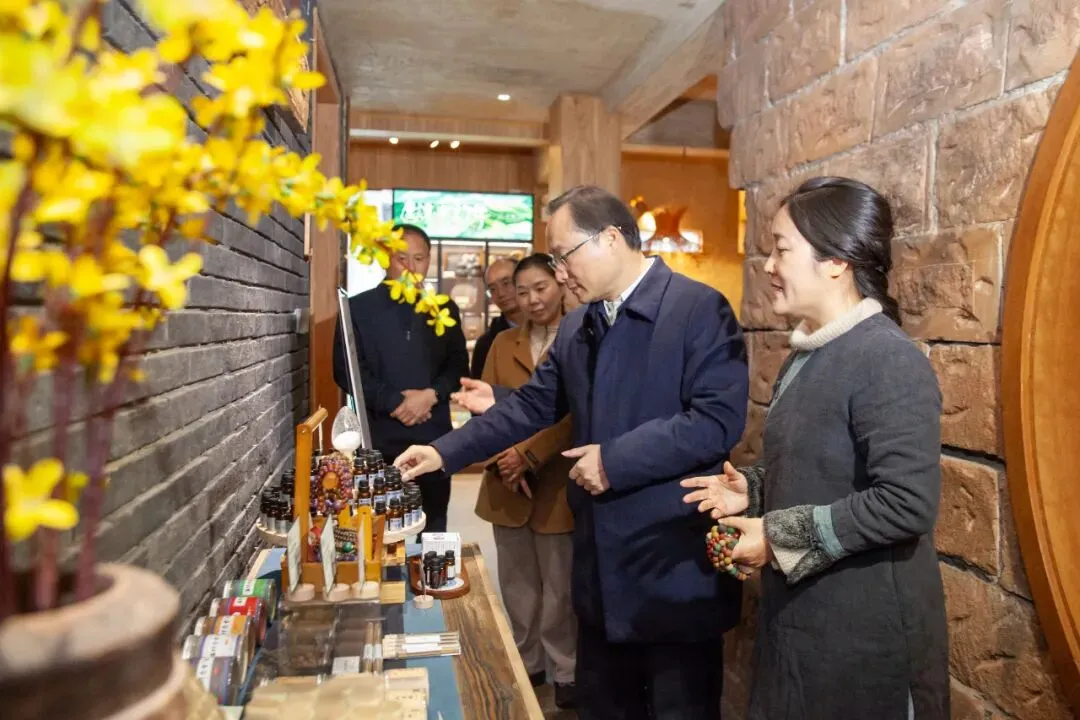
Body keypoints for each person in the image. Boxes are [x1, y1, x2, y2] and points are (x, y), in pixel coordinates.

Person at [396, 185, 749, 720]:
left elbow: (715, 422)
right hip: (600, 568)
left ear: (610, 238)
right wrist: (442, 453)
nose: (560, 274)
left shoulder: (698, 308)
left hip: (670, 565)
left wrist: (612, 461)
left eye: (564, 256)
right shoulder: (581, 325)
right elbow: (533, 405)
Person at [681, 177, 948, 719]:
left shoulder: (886, 358)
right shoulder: (807, 354)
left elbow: (906, 502)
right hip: (804, 622)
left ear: (836, 261)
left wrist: (777, 536)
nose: (768, 266)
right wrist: (752, 490)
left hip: (864, 636)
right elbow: (820, 465)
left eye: (781, 249)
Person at [475, 254, 578, 708]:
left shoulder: (578, 337)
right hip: (506, 481)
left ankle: (566, 669)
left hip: (557, 480)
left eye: (541, 288)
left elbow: (578, 414)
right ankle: (527, 660)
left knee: (559, 586)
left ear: (560, 284)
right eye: (523, 291)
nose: (533, 299)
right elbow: (487, 411)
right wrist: (505, 461)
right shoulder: (502, 344)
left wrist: (529, 455)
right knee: (517, 583)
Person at [332, 223, 468, 533]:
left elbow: (459, 367)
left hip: (434, 437)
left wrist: (430, 396)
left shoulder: (444, 309)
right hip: (379, 437)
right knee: (380, 526)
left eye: (419, 259)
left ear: (429, 260)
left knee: (433, 524)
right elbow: (345, 369)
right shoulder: (357, 307)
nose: (410, 267)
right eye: (401, 258)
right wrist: (395, 402)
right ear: (385, 258)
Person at [470, 258, 524, 379]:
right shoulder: (486, 344)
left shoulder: (551, 327)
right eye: (493, 289)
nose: (501, 293)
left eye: (506, 283)